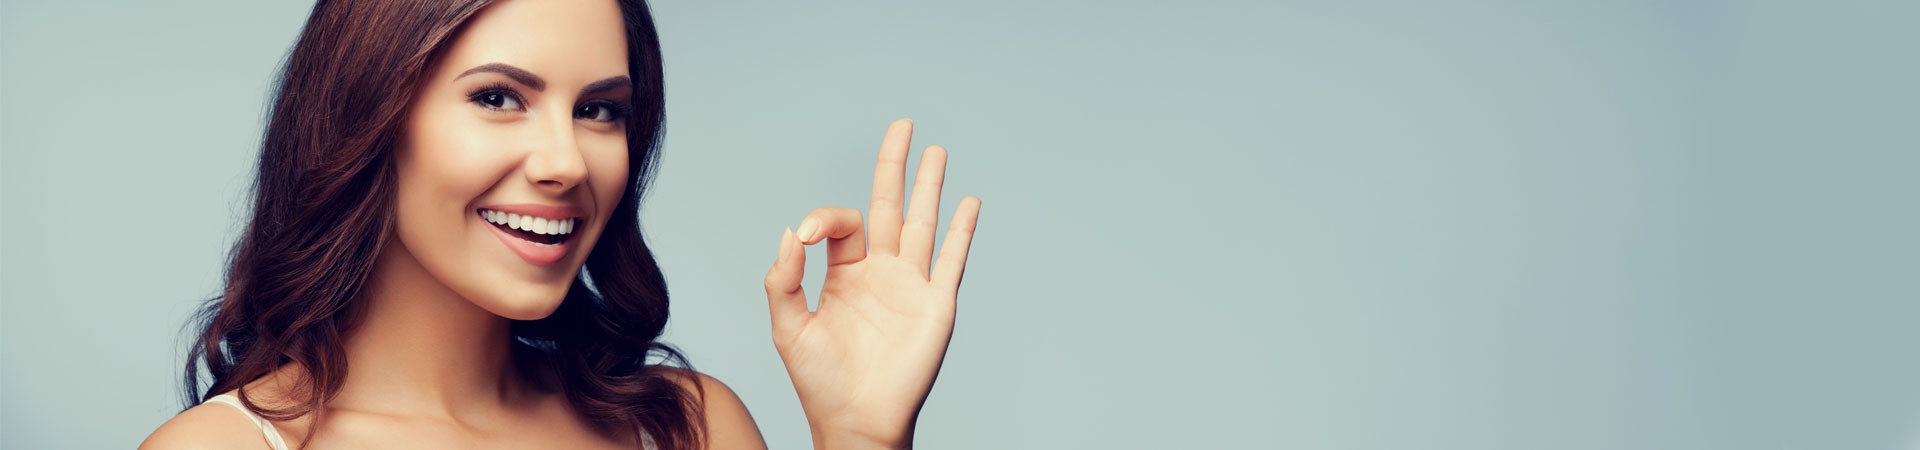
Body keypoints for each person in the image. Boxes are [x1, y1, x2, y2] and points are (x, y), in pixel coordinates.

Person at [138, 0, 981, 449]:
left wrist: (861, 438)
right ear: (370, 116)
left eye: (600, 110)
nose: (567, 162)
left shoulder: (688, 430)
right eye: (499, 97)